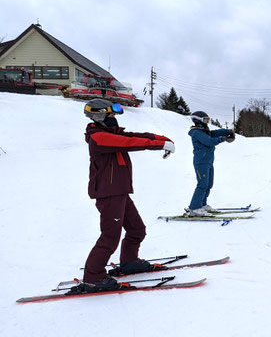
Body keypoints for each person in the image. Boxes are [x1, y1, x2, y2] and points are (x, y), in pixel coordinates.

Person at [82, 99, 175, 292]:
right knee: (110, 237)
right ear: (99, 117)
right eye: (110, 116)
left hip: (120, 191)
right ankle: (93, 276)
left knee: (137, 229)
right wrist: (159, 145)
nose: (114, 120)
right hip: (109, 194)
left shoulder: (108, 133)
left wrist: (162, 139)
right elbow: (129, 142)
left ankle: (129, 261)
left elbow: (135, 135)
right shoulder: (99, 137)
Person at [187, 111, 235, 216]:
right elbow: (209, 141)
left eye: (208, 120)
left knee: (208, 184)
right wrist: (224, 139)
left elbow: (215, 133)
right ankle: (194, 208)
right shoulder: (197, 132)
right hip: (201, 162)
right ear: (197, 120)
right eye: (205, 120)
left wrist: (227, 131)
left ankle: (202, 204)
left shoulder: (204, 131)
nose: (207, 122)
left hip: (208, 161)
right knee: (202, 184)